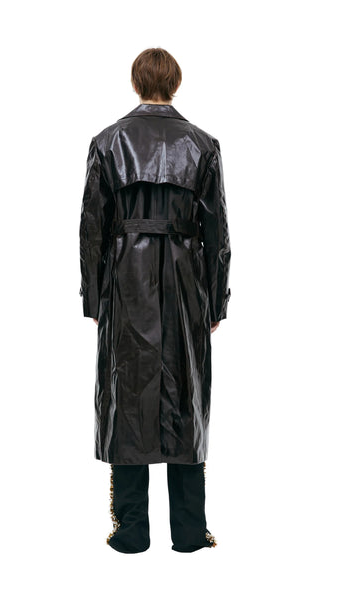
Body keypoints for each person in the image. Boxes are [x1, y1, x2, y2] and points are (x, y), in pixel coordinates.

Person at [79, 47, 231, 553]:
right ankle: (188, 532)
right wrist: (215, 302)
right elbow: (217, 233)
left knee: (128, 398)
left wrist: (95, 298)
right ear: (176, 83)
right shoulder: (203, 145)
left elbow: (92, 230)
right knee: (186, 398)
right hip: (187, 283)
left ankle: (130, 531)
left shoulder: (107, 142)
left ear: (136, 82)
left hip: (125, 281)